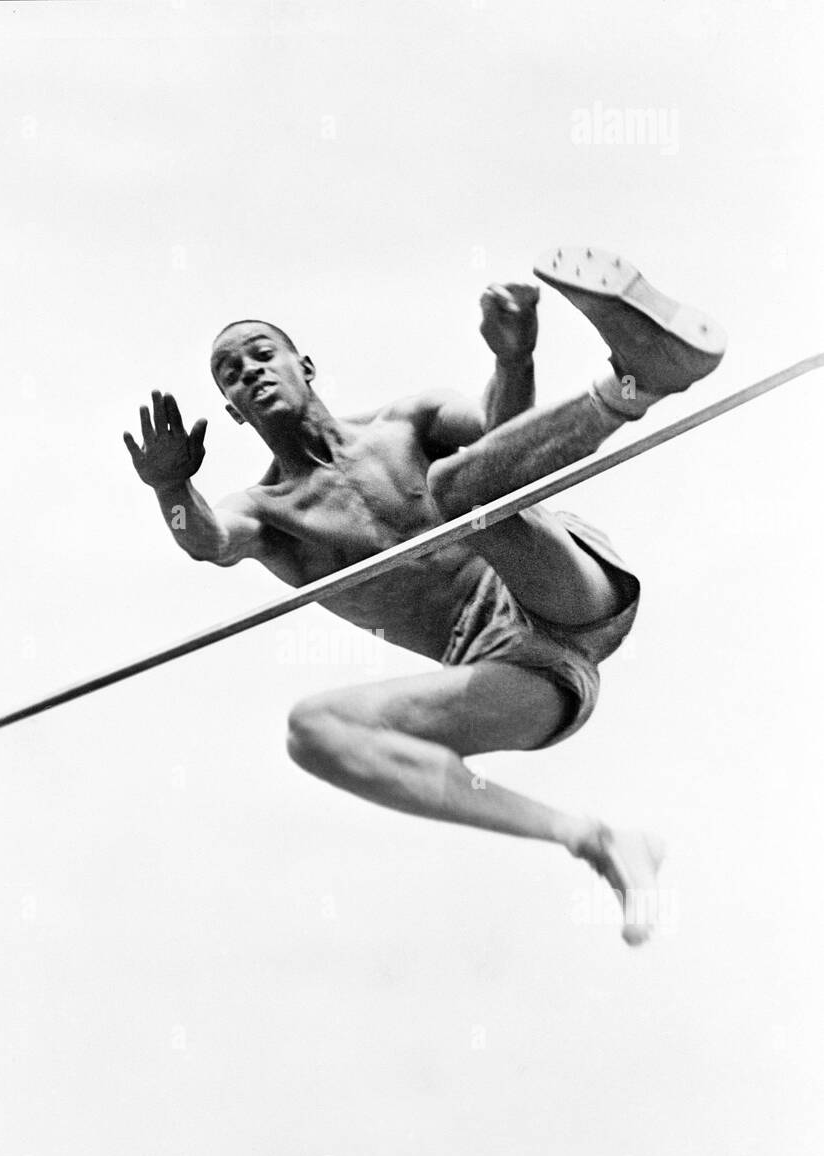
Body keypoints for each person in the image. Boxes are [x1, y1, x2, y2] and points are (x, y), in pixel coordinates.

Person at [123, 247, 725, 944]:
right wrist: (171, 489)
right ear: (230, 411)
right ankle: (594, 839)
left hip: (559, 588)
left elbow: (505, 451)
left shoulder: (408, 421)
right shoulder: (269, 512)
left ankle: (633, 386)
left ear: (305, 367)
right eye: (231, 373)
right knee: (311, 732)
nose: (249, 371)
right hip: (526, 679)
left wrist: (514, 360)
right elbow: (207, 540)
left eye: (261, 354)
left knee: (457, 489)